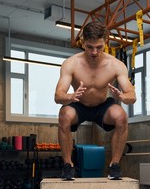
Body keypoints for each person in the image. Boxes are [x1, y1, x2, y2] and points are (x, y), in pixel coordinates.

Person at [54, 21, 136, 180]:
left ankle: (115, 166)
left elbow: (132, 97)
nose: (94, 52)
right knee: (64, 115)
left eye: (99, 47)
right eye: (90, 47)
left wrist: (122, 97)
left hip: (102, 107)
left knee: (121, 116)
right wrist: (70, 96)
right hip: (78, 104)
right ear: (83, 42)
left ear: (105, 42)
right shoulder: (71, 64)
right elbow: (58, 96)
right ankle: (68, 166)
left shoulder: (116, 65)